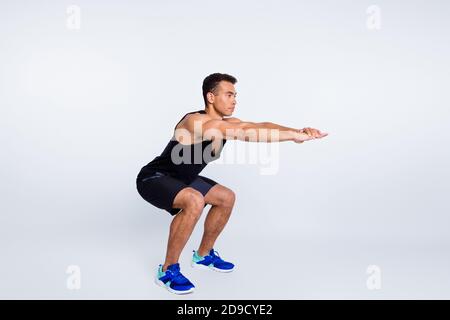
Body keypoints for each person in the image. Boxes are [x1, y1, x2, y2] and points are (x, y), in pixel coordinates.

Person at [136, 73, 328, 294]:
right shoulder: (194, 122)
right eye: (228, 94)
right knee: (194, 200)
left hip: (182, 180)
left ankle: (203, 255)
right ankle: (168, 270)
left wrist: (297, 132)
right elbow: (244, 131)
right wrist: (293, 136)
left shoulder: (228, 123)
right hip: (154, 178)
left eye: (235, 95)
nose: (234, 100)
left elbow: (259, 125)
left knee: (226, 197)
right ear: (210, 96)